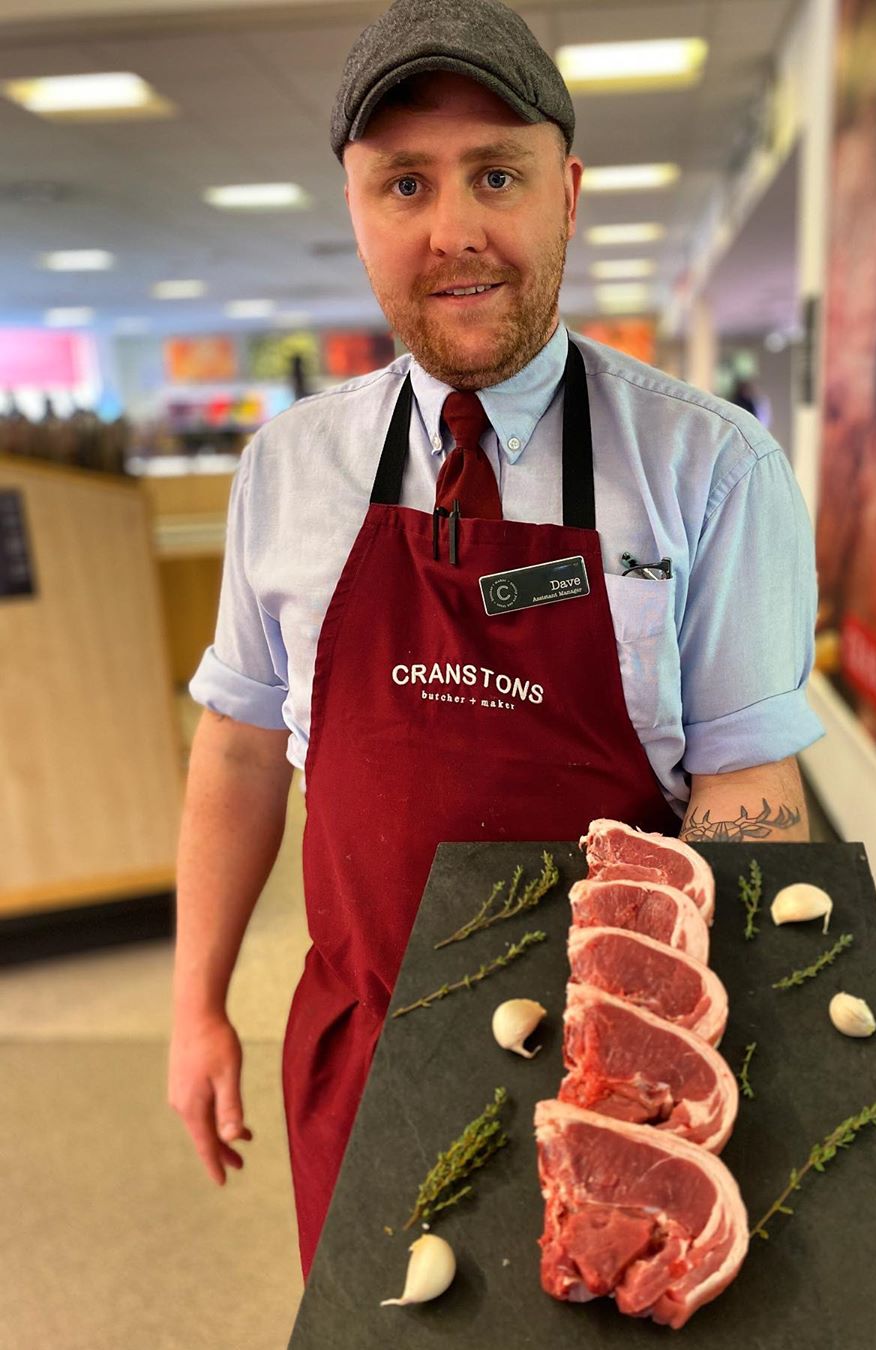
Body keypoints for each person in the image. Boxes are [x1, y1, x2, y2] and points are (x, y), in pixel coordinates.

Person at [167, 0, 825, 1278]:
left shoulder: (712, 467)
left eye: (497, 174)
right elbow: (242, 748)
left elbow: (748, 780)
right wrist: (196, 1004)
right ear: (355, 207)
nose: (454, 228)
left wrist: (707, 1056)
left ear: (567, 193)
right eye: (405, 182)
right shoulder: (290, 469)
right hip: (365, 1052)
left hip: (614, 1071)